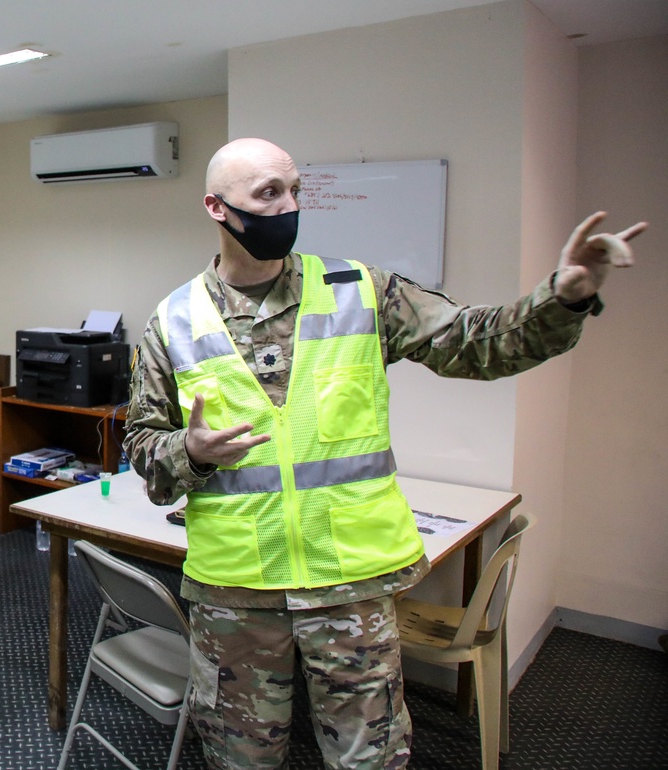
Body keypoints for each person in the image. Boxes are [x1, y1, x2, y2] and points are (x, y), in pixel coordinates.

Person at [123, 137, 647, 769]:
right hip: (237, 596)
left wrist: (563, 297)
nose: (288, 205)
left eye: (295, 191)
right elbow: (144, 453)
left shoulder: (358, 290)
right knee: (241, 759)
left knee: (368, 760)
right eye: (268, 194)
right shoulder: (174, 319)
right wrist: (193, 451)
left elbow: (477, 342)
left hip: (350, 591)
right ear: (216, 206)